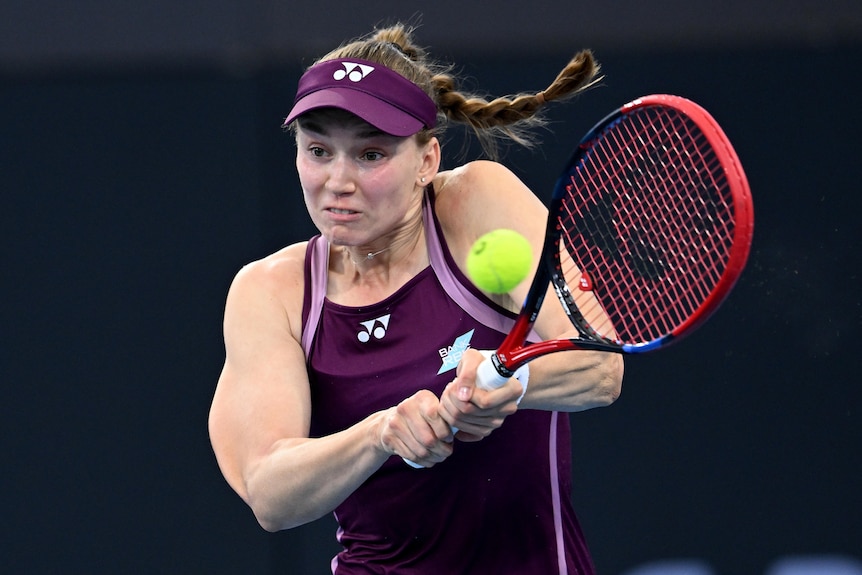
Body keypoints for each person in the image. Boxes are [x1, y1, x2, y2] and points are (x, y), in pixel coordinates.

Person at [208, 22, 624, 575]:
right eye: (318, 150)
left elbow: (600, 366)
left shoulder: (477, 201)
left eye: (371, 154)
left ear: (427, 161)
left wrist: (509, 381)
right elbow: (270, 492)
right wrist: (381, 433)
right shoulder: (270, 291)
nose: (338, 180)